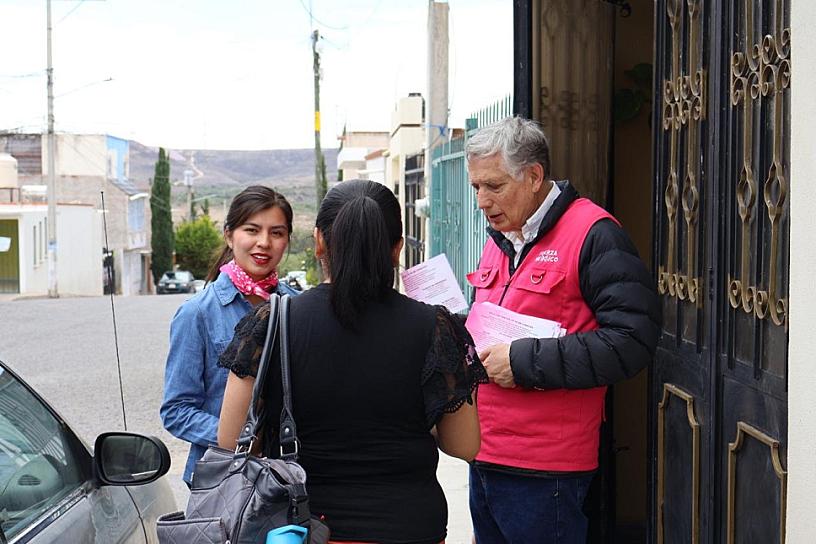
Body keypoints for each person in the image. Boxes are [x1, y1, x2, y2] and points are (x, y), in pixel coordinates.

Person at [217, 180, 487, 544]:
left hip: (300, 527)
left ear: (319, 241)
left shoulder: (272, 322)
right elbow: (464, 445)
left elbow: (232, 440)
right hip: (409, 526)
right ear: (396, 248)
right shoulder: (435, 327)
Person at [464, 117, 661, 544]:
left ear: (534, 176)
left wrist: (522, 361)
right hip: (483, 454)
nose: (481, 201)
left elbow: (631, 340)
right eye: (476, 186)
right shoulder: (500, 238)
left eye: (493, 186)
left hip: (545, 469)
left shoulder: (594, 234)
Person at [160, 185, 300, 487]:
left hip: (290, 476)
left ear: (287, 240)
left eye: (276, 233)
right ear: (229, 235)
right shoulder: (197, 313)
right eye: (252, 230)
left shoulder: (297, 307)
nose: (264, 243)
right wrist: (241, 438)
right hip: (223, 484)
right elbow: (176, 410)